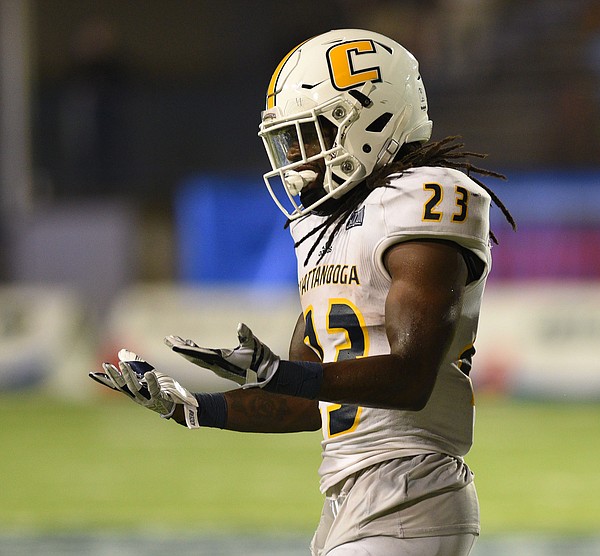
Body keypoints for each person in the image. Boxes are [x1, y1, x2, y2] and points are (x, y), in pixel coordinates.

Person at [89, 28, 515, 556]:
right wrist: (193, 407)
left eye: (309, 134)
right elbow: (305, 399)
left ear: (372, 118)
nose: (296, 155)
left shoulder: (425, 197)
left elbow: (410, 377)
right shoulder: (326, 224)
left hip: (411, 488)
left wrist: (275, 372)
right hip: (348, 497)